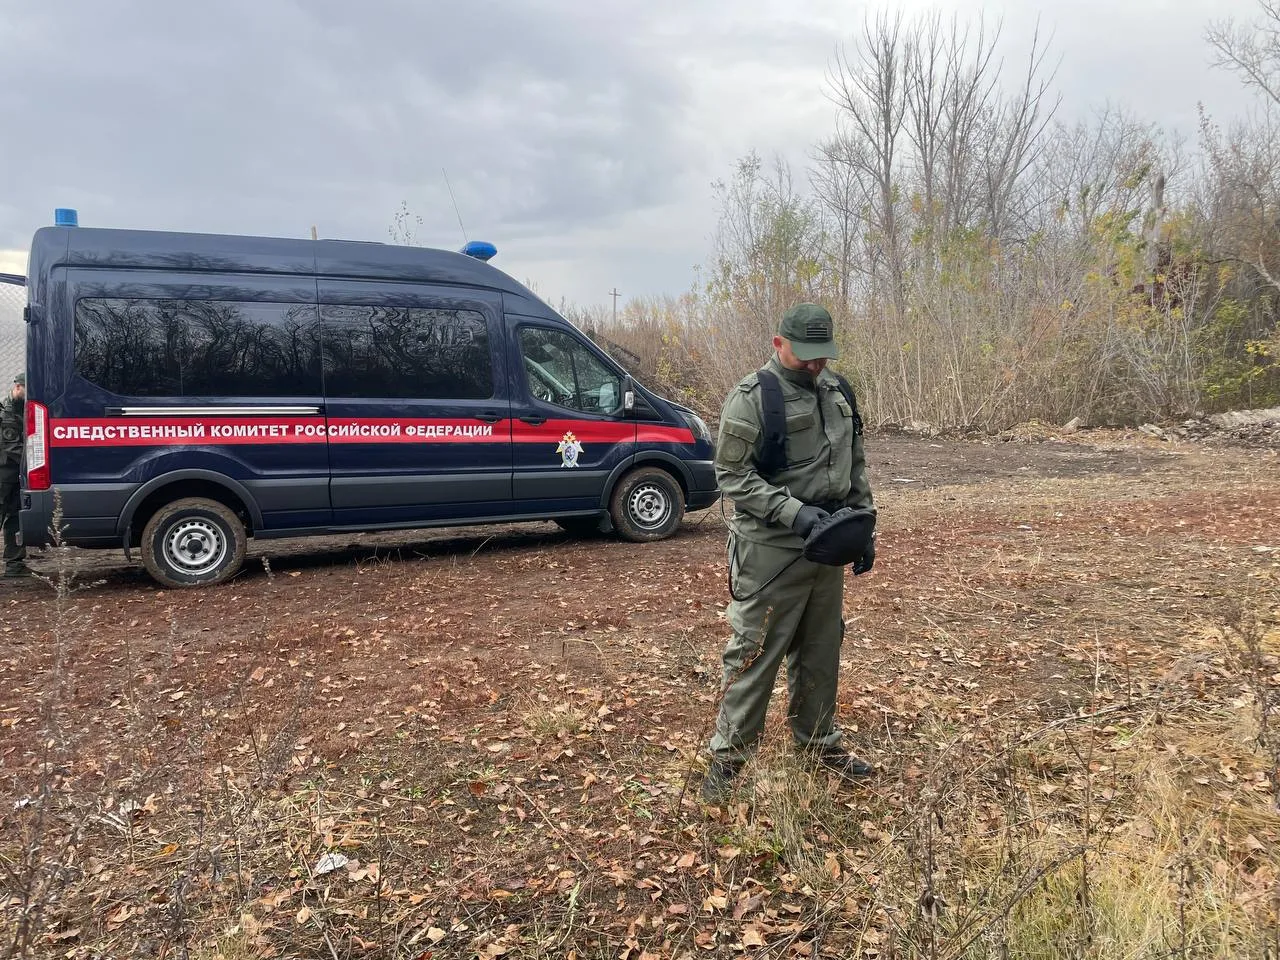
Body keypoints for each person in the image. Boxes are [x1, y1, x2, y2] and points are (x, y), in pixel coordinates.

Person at [701, 304, 876, 802]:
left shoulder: (839, 392)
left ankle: (819, 743)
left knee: (822, 651)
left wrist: (864, 526)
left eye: (823, 357)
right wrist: (791, 512)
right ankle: (727, 762)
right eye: (806, 357)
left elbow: (854, 464)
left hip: (828, 547)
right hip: (771, 553)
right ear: (779, 344)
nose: (816, 366)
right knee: (754, 654)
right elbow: (732, 476)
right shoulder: (753, 398)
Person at [1, 372, 28, 577]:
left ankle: (14, 565)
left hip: (15, 476)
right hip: (3, 477)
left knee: (15, 520)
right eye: (27, 390)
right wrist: (36, 462)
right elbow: (13, 448)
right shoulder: (7, 414)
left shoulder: (22, 410)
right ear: (18, 387)